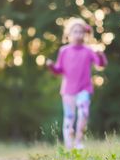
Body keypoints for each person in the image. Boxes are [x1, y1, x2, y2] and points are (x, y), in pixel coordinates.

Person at [46, 17, 107, 149]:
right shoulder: (64, 51)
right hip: (68, 90)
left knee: (84, 112)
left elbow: (101, 64)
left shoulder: (88, 50)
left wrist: (101, 55)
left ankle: (79, 140)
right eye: (75, 31)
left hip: (84, 88)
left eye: (81, 32)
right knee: (69, 117)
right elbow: (59, 70)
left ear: (85, 34)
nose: (78, 34)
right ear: (69, 34)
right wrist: (51, 66)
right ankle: (69, 145)